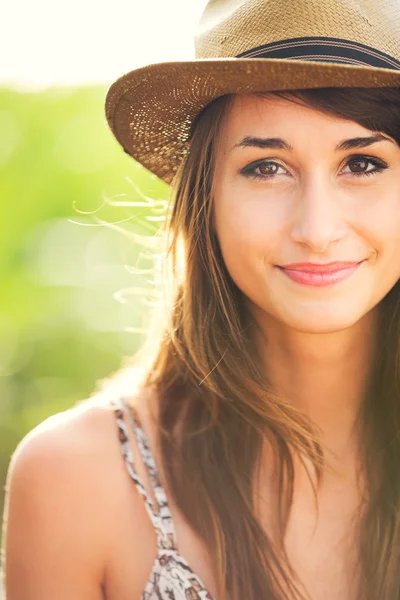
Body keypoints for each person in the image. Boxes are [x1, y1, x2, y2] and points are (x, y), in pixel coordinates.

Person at [3, 0, 400, 598]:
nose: (317, 229)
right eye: (266, 167)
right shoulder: (80, 477)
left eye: (363, 163)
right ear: (205, 196)